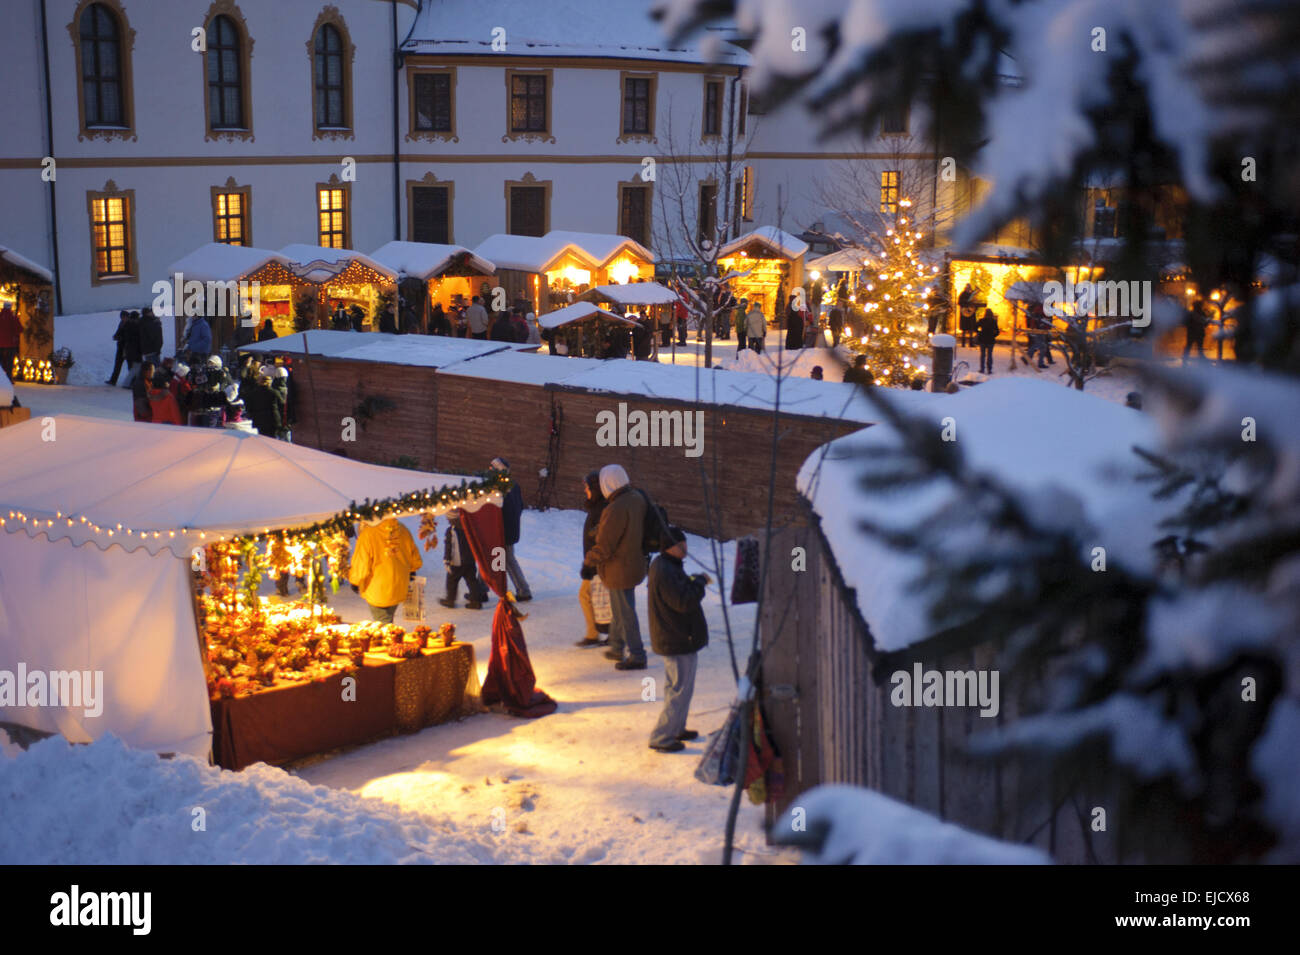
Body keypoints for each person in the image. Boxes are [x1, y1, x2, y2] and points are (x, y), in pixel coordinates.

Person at [647, 525, 709, 752]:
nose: (685, 549)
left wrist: (693, 580)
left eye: (685, 544)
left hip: (677, 637)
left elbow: (678, 592)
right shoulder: (665, 570)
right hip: (676, 638)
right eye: (680, 545)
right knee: (679, 689)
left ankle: (676, 729)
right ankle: (662, 736)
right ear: (668, 547)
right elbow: (683, 601)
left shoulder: (668, 566)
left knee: (680, 687)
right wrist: (699, 584)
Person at [585, 463, 648, 670]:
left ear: (608, 483)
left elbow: (606, 546)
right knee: (620, 610)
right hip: (632, 563)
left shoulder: (615, 508)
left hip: (619, 568)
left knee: (625, 612)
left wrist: (590, 559)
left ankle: (637, 654)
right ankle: (617, 646)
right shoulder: (636, 498)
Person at [350, 516, 422, 623]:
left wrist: (355, 581)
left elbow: (361, 565)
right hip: (399, 586)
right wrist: (411, 570)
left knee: (384, 625)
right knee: (387, 620)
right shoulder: (402, 529)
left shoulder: (368, 534)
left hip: (377, 589)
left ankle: (391, 637)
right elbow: (415, 558)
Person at [576, 470, 612, 648]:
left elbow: (601, 539)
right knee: (590, 596)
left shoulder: (602, 509)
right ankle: (596, 633)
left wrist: (590, 564)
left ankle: (603, 633)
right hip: (594, 562)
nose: (585, 490)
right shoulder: (597, 507)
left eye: (587, 487)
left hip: (598, 563)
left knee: (589, 596)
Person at [489, 456, 533, 600]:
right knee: (494, 559)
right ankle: (480, 590)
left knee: (505, 559)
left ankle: (523, 590)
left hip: (502, 530)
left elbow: (499, 509)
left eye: (492, 468)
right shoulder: (513, 485)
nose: (489, 470)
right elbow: (520, 506)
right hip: (509, 529)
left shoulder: (498, 488)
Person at [439, 512, 487, 609]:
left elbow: (449, 546)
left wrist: (447, 559)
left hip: (456, 562)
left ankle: (450, 599)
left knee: (452, 581)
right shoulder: (469, 528)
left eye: (448, 519)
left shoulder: (451, 531)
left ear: (452, 520)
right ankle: (475, 601)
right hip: (470, 561)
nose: (447, 521)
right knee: (472, 581)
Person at [106, 310, 130, 385]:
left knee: (129, 364)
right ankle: (113, 380)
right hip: (121, 346)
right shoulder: (122, 323)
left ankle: (131, 380)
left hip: (126, 347)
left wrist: (119, 337)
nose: (122, 318)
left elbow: (127, 336)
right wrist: (116, 336)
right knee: (118, 364)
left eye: (123, 317)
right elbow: (118, 332)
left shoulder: (129, 324)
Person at [976, 307, 999, 374]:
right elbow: (997, 331)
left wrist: (979, 332)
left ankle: (982, 369)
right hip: (991, 340)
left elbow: (975, 327)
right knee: (990, 355)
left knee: (982, 355)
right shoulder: (993, 321)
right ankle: (989, 369)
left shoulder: (981, 320)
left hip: (982, 339)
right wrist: (993, 335)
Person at [0, 303, 20, 379]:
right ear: (10, 307)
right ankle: (8, 378)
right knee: (9, 362)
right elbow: (19, 329)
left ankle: (1, 379)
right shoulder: (13, 317)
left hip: (0, 343)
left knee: (0, 362)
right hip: (11, 343)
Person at [957, 283, 977, 347]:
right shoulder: (962, 294)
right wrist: (966, 301)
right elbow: (959, 302)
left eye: (970, 288)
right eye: (968, 288)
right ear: (965, 288)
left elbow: (974, 303)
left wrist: (974, 304)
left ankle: (971, 343)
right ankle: (963, 343)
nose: (969, 289)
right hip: (964, 313)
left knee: (971, 328)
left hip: (971, 312)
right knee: (964, 328)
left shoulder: (972, 294)